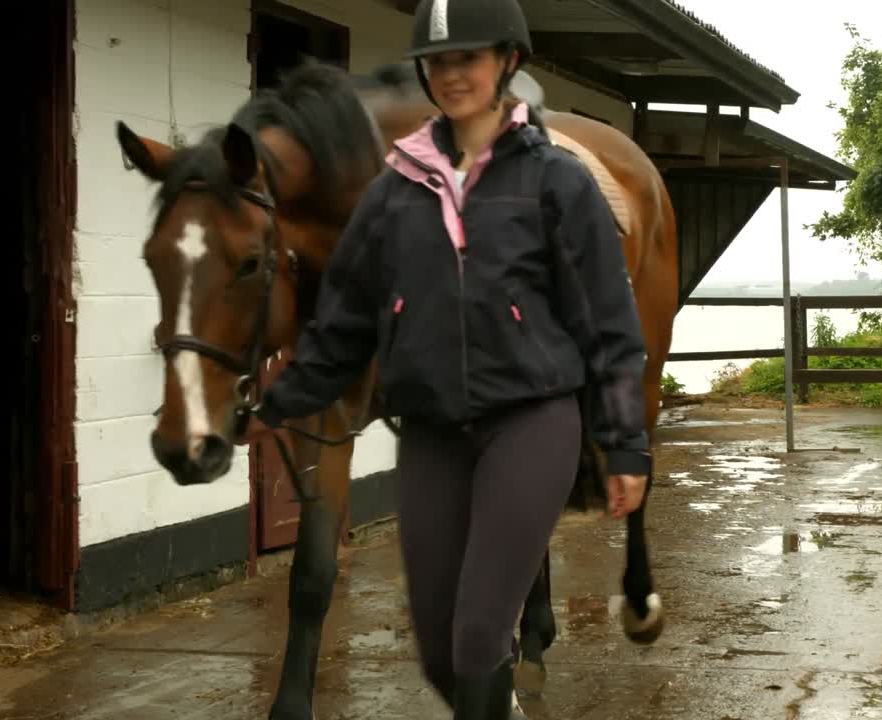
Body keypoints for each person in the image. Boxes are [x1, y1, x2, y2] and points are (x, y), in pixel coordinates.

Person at [249, 0, 650, 716]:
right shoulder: (393, 190)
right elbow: (343, 322)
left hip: (530, 420)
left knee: (476, 638)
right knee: (438, 653)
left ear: (508, 61)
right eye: (438, 61)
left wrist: (625, 444)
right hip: (432, 431)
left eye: (469, 57)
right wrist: (275, 402)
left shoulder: (556, 181)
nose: (452, 73)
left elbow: (610, 323)